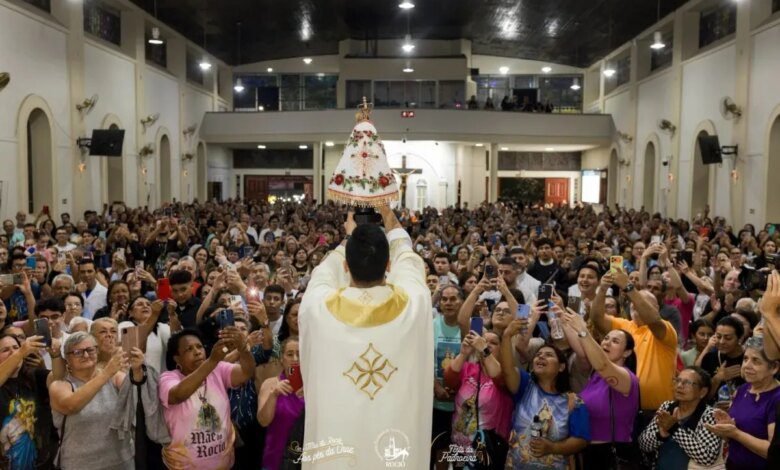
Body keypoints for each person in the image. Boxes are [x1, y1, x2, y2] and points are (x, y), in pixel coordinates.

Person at [299, 206, 433, 469]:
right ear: (388, 265)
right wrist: (390, 219)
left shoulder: (319, 308)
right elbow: (409, 260)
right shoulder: (413, 304)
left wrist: (349, 239)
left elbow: (323, 272)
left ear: (346, 266)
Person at [159, 327, 255, 469]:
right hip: (183, 466)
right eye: (189, 349)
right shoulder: (168, 377)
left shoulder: (218, 369)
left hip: (224, 464)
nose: (197, 352)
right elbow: (178, 395)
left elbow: (246, 373)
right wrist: (211, 361)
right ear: (177, 358)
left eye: (199, 347)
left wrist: (243, 349)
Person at [49, 332, 140, 469]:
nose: (86, 355)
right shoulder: (60, 385)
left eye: (90, 350)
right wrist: (106, 373)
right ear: (67, 358)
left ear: (97, 351)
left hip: (121, 462)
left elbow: (139, 399)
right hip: (79, 465)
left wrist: (138, 370)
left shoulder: (115, 378)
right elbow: (71, 405)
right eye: (78, 352)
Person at [561, 308, 639, 468]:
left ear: (627, 353)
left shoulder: (626, 377)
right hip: (587, 451)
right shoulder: (596, 375)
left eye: (615, 341)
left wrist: (583, 329)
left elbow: (602, 363)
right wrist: (562, 316)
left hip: (612, 454)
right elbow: (584, 350)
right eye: (606, 338)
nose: (607, 343)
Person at [706, 336, 780, 469]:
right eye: (745, 359)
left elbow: (773, 451)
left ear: (774, 367)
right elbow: (737, 432)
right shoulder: (743, 389)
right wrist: (727, 427)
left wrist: (735, 433)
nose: (747, 365)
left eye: (756, 361)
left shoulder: (776, 398)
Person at [444, 329, 511, 462]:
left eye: (493, 343)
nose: (487, 344)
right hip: (459, 447)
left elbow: (499, 378)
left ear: (502, 349)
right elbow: (449, 379)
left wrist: (485, 350)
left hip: (487, 450)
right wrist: (463, 353)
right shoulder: (468, 368)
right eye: (484, 341)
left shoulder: (508, 374)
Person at [638, 367, 724, 468]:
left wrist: (674, 429)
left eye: (687, 383)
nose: (679, 385)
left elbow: (707, 457)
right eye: (678, 380)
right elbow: (643, 444)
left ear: (702, 392)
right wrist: (660, 435)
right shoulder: (667, 407)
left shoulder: (710, 415)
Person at [0, 334, 59, 469]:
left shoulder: (35, 376)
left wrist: (56, 356)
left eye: (16, 347)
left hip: (41, 463)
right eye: (5, 350)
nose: (13, 352)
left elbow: (59, 378)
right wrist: (20, 352)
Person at [258, 337, 305, 470]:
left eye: (299, 354)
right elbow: (263, 421)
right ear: (281, 359)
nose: (295, 358)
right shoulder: (270, 384)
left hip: (306, 454)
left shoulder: (314, 386)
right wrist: (274, 394)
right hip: (276, 455)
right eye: (290, 354)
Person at [696, 316, 745, 402]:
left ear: (739, 338)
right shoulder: (709, 358)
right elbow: (700, 398)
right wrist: (717, 378)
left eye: (728, 338)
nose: (722, 342)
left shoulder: (748, 360)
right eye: (718, 337)